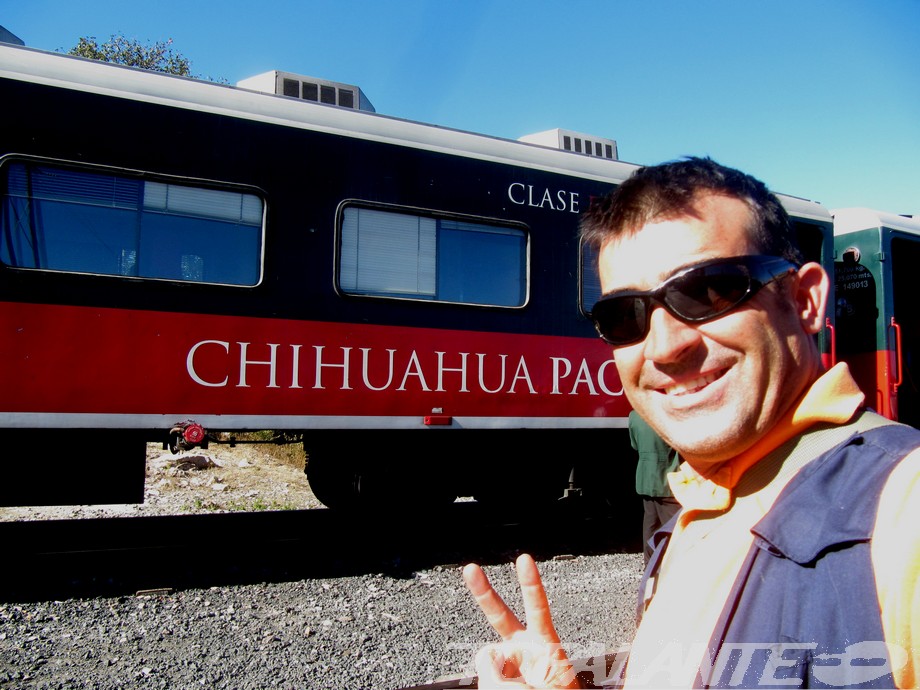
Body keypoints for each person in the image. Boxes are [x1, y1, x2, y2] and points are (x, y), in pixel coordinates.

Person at [461, 157, 920, 688]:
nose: (665, 346)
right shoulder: (696, 514)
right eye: (625, 316)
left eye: (708, 291)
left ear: (803, 300)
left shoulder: (904, 509)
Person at [628, 409, 680, 565]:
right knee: (674, 526)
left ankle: (650, 564)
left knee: (650, 524)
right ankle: (672, 564)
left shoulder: (634, 415)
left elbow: (634, 444)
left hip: (645, 476)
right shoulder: (669, 415)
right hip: (667, 477)